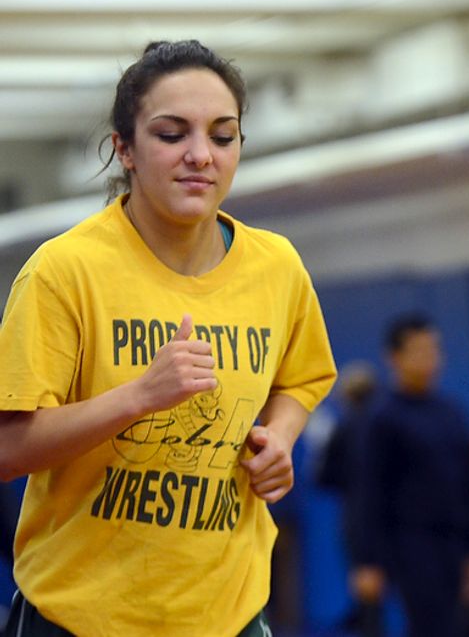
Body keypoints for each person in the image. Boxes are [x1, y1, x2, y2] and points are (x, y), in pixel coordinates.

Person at [0, 40, 337, 637]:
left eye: (222, 135)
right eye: (171, 134)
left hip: (228, 612)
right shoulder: (64, 271)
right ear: (124, 149)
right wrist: (139, 396)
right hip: (82, 616)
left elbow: (303, 378)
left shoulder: (277, 266)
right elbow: (7, 450)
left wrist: (279, 439)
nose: (200, 155)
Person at [355, 314, 469, 637]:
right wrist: (368, 561)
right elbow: (370, 492)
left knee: (463, 626)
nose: (429, 358)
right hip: (412, 545)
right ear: (395, 358)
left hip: (456, 543)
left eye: (433, 350)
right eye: (418, 351)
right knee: (430, 627)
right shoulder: (383, 417)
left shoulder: (452, 413)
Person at [314, 361, 384, 637]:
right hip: (399, 521)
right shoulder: (388, 423)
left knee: (367, 590)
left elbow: (323, 476)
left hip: (360, 518)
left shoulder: (346, 429)